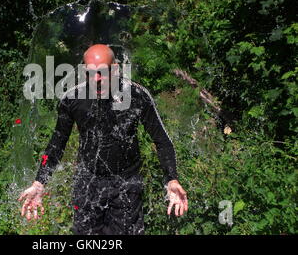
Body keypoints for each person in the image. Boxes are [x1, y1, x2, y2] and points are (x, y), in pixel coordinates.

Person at [18, 44, 188, 235]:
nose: (96, 79)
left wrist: (171, 179)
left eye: (102, 73)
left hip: (126, 184)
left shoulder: (137, 96)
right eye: (91, 73)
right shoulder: (72, 98)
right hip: (88, 183)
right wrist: (40, 183)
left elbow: (162, 140)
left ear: (115, 69)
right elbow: (57, 144)